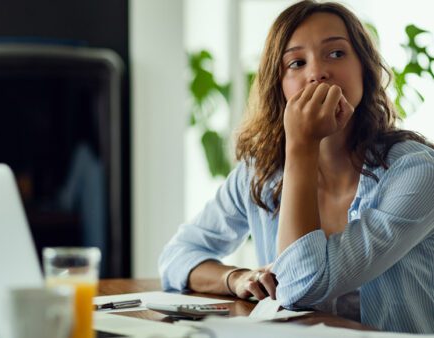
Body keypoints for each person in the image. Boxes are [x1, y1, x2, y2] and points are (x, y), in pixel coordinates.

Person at [159, 0, 434, 333]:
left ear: (365, 68)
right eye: (296, 62)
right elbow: (177, 256)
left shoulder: (415, 173)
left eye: (336, 54)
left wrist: (302, 147)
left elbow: (302, 287)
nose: (317, 73)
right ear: (280, 86)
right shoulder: (260, 172)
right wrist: (234, 278)